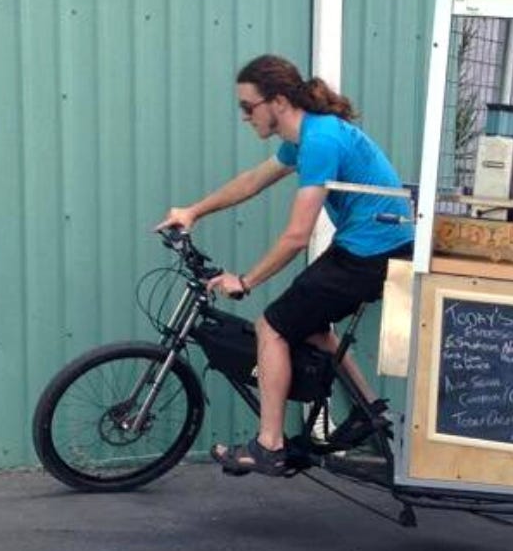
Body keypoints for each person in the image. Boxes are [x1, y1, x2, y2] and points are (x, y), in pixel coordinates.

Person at [156, 53, 413, 475]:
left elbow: (297, 235)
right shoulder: (305, 136)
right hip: (376, 243)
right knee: (312, 329)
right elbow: (253, 182)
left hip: (373, 250)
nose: (244, 117)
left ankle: (269, 444)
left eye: (247, 107)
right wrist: (194, 211)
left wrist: (247, 280)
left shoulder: (320, 141)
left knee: (271, 327)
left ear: (276, 101)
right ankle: (370, 412)